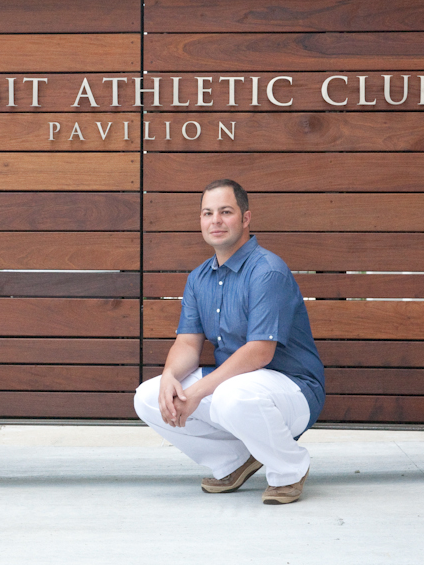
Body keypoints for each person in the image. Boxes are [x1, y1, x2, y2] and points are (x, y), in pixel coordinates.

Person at [134, 179, 325, 504]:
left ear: (246, 218)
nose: (216, 221)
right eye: (208, 213)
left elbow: (260, 352)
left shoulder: (267, 271)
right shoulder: (199, 277)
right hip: (237, 388)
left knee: (230, 396)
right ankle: (234, 460)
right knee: (150, 397)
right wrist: (169, 376)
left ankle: (289, 468)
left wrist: (196, 392)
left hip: (293, 389)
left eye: (225, 212)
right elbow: (187, 344)